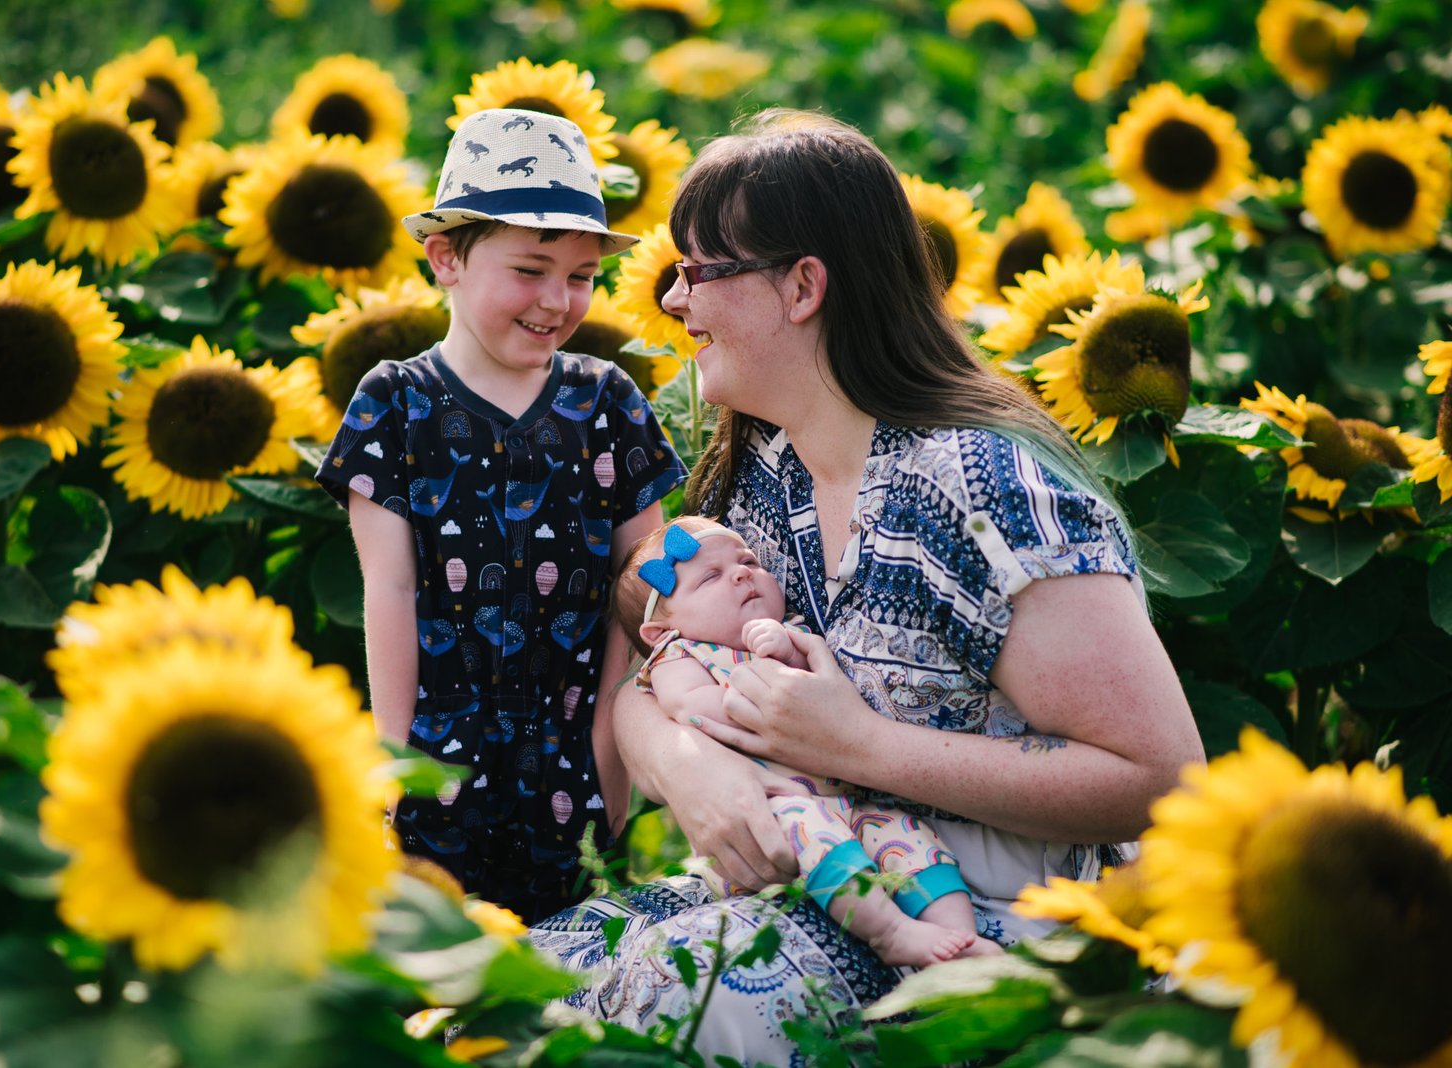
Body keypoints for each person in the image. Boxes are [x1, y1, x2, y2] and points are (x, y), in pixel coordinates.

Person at [527, 110, 1204, 1061]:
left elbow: (1161, 779)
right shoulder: (763, 476)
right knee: (525, 986)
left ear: (803, 286)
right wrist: (692, 770)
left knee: (664, 1009)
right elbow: (652, 653)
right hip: (827, 882)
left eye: (697, 272)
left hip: (1005, 935)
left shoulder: (980, 489)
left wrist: (865, 747)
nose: (675, 303)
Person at [316, 108, 686, 921]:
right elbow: (391, 590)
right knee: (444, 966)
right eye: (531, 269)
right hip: (443, 748)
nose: (559, 300)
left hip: (573, 742)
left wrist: (613, 742)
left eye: (583, 275)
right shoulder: (395, 403)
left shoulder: (607, 402)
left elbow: (646, 584)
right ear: (445, 257)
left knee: (567, 971)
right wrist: (395, 756)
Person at [616, 515, 1000, 967]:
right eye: (711, 577)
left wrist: (789, 652)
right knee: (806, 827)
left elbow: (826, 687)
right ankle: (890, 933)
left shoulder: (792, 629)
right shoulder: (679, 655)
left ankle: (957, 935)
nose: (743, 573)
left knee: (905, 833)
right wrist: (767, 687)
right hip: (771, 818)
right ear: (661, 632)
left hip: (851, 803)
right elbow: (689, 706)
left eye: (747, 561)